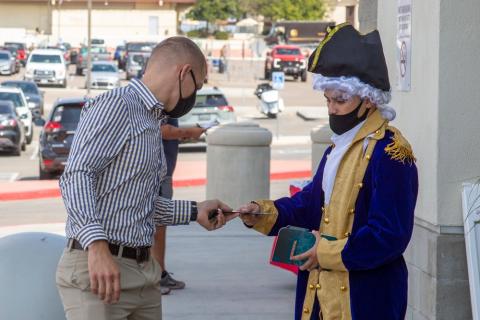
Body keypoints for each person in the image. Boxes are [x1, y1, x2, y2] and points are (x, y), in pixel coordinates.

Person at [238, 23, 419, 320]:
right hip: (320, 296)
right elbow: (310, 204)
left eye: (340, 100)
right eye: (328, 100)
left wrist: (324, 253)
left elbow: (389, 236)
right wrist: (263, 212)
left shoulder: (392, 154)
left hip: (365, 300)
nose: (332, 109)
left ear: (369, 100)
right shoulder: (337, 148)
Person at [56, 37, 236, 320]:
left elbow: (140, 204)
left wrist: (194, 211)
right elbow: (77, 176)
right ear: (182, 72)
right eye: (197, 85)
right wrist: (97, 247)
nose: (195, 95)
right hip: (100, 270)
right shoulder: (116, 105)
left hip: (143, 273)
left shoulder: (152, 120)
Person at [151, 118, 205, 295]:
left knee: (160, 225)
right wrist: (189, 132)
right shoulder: (159, 98)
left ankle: (160, 273)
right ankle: (154, 277)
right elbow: (162, 130)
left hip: (163, 172)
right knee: (155, 226)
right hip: (156, 173)